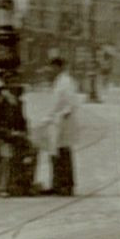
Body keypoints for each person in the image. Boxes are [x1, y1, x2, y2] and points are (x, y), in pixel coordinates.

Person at [41, 54, 81, 195]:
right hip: (57, 121)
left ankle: (65, 185)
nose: (50, 70)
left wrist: (64, 114)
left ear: (59, 67)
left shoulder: (66, 81)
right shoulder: (58, 81)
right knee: (56, 153)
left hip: (63, 122)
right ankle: (58, 184)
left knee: (62, 153)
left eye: (53, 67)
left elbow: (71, 102)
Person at [0, 79, 34, 197]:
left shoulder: (19, 103)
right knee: (6, 156)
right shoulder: (0, 103)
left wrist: (24, 132)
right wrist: (9, 133)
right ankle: (3, 187)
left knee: (30, 152)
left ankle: (26, 184)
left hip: (17, 136)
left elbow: (22, 120)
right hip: (3, 137)